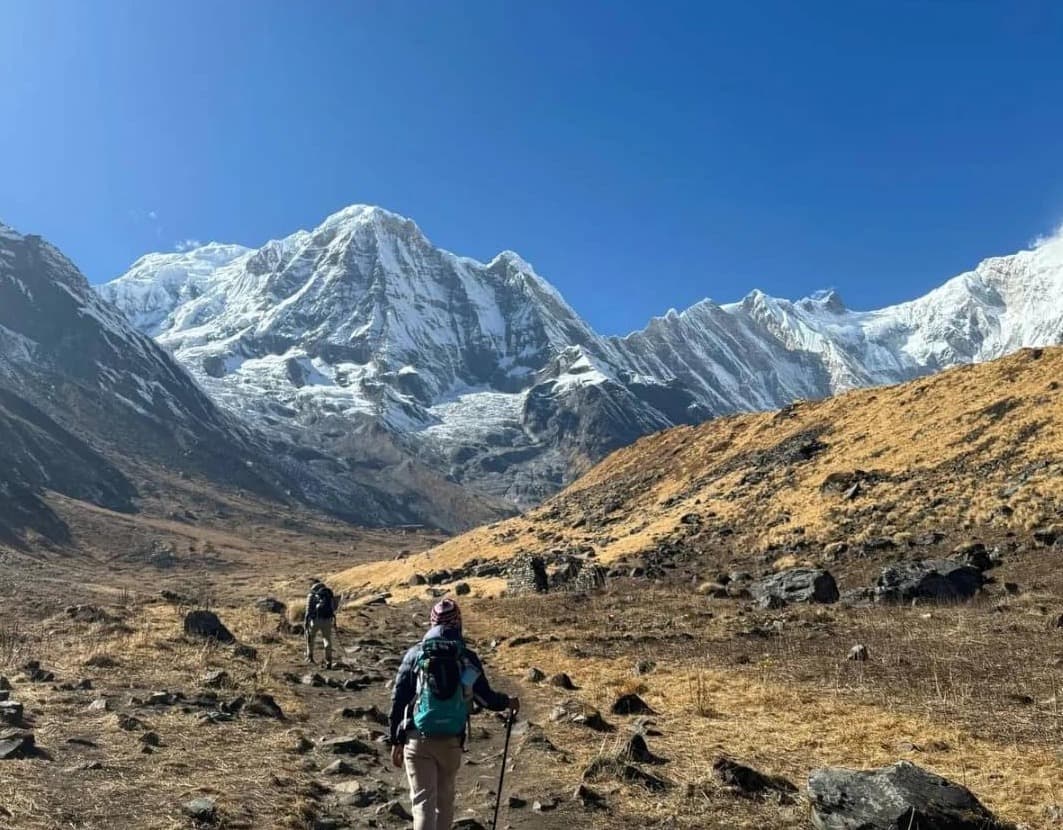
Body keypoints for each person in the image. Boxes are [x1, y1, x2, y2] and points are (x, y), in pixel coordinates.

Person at [389, 598, 519, 830]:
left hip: (418, 737)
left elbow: (399, 700)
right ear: (458, 623)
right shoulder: (466, 657)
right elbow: (485, 698)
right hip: (451, 739)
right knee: (444, 803)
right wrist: (507, 702)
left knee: (422, 804)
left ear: (431, 623)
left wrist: (395, 740)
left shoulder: (416, 654)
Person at [304, 580, 337, 668]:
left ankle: (310, 657)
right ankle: (328, 661)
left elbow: (308, 611)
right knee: (327, 639)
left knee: (311, 637)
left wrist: (306, 623)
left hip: (315, 620)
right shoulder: (328, 594)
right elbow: (332, 608)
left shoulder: (311, 595)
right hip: (327, 620)